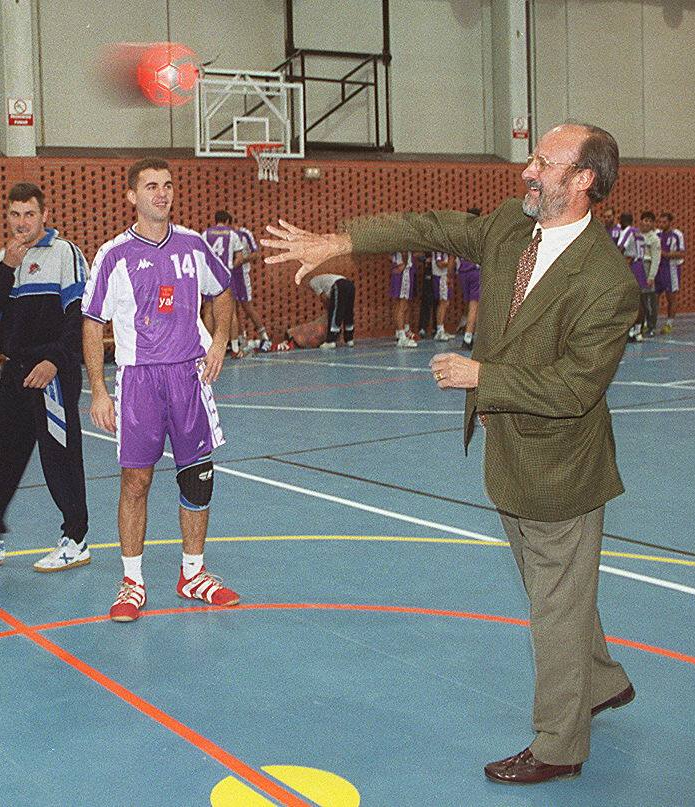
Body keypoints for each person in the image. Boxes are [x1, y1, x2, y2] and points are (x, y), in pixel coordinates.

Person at [262, 122, 639, 787]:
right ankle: (601, 678)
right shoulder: (506, 227)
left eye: (543, 163)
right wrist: (343, 240)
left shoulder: (606, 278)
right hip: (509, 455)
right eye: (531, 158)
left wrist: (480, 377)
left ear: (583, 180)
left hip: (559, 467)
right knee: (554, 587)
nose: (527, 171)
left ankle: (558, 742)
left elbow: (577, 386)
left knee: (552, 601)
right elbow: (429, 225)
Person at [82, 158, 239, 622]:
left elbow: (223, 290)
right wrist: (97, 390)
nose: (162, 194)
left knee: (197, 474)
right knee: (137, 480)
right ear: (131, 196)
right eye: (151, 186)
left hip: (189, 376)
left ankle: (193, 573)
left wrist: (221, 342)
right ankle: (132, 582)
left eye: (168, 185)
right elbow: (92, 322)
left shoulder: (193, 245)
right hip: (139, 380)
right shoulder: (114, 254)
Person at [0, 183, 90, 572]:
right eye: (15, 214)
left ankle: (76, 539)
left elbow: (79, 319)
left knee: (59, 455)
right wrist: (6, 266)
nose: (21, 222)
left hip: (51, 373)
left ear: (44, 216)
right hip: (15, 372)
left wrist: (55, 361)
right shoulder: (4, 258)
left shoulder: (66, 254)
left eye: (29, 214)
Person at [203, 210, 248, 357]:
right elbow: (240, 258)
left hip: (210, 275)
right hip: (226, 276)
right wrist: (230, 268)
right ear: (228, 221)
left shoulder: (206, 233)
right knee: (231, 311)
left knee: (208, 310)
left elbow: (202, 256)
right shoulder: (232, 233)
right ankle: (235, 349)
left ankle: (208, 347)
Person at [235, 218, 273, 351]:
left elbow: (255, 254)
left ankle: (264, 336)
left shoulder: (244, 234)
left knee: (247, 306)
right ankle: (241, 339)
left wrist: (241, 260)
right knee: (233, 310)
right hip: (228, 276)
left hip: (241, 275)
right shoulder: (224, 235)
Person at [456, 207, 483, 350]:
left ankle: (470, 334)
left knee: (469, 306)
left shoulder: (461, 232)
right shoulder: (478, 232)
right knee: (474, 306)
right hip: (474, 271)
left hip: (462, 272)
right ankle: (467, 338)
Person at [618, 212, 647, 341]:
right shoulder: (639, 233)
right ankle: (638, 331)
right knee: (640, 300)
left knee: (631, 300)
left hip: (632, 266)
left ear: (623, 222)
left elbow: (620, 248)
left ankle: (631, 330)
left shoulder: (627, 231)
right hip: (641, 266)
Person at [656, 212, 686, 334]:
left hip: (671, 269)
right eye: (660, 222)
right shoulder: (657, 234)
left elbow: (681, 253)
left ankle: (669, 323)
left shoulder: (677, 235)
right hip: (658, 268)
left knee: (671, 297)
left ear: (670, 222)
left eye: (664, 222)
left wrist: (666, 254)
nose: (662, 224)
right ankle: (649, 323)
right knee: (654, 297)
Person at [310, 273, 356, 349]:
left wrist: (328, 309)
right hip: (350, 285)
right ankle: (349, 339)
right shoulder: (324, 279)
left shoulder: (312, 282)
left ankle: (330, 341)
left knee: (335, 312)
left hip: (339, 285)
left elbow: (324, 298)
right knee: (348, 312)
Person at [638, 210, 662, 337]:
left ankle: (651, 325)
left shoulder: (654, 239)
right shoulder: (637, 235)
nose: (646, 223)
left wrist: (651, 276)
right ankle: (641, 325)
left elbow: (656, 259)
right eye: (644, 220)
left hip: (648, 272)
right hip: (638, 272)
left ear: (653, 223)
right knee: (641, 302)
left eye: (649, 221)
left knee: (650, 302)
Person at [390, 251, 418, 347]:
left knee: (398, 304)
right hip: (404, 272)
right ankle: (402, 337)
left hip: (398, 269)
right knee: (402, 305)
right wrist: (404, 263)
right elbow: (405, 249)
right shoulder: (403, 238)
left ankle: (399, 332)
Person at [430, 250, 455, 341]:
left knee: (445, 302)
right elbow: (439, 263)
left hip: (445, 276)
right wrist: (451, 263)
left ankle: (441, 329)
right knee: (443, 302)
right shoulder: (439, 249)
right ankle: (439, 330)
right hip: (440, 276)